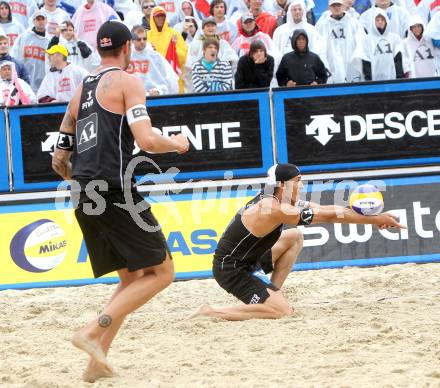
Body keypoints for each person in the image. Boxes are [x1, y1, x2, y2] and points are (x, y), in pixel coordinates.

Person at [51, 20, 189, 382]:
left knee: (130, 280)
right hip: (114, 187)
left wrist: (70, 172)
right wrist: (176, 143)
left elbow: (61, 148)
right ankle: (91, 331)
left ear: (99, 49)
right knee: (162, 272)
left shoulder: (83, 86)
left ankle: (97, 363)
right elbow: (145, 141)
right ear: (128, 49)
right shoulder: (129, 81)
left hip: (83, 190)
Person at [190, 163, 404, 321]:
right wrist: (376, 219)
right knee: (283, 312)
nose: (301, 186)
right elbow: (328, 217)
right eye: (297, 182)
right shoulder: (274, 209)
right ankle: (210, 311)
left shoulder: (278, 198)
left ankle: (270, 292)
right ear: (282, 184)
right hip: (232, 269)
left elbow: (326, 210)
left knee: (294, 237)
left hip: (250, 258)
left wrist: (375, 217)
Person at [315, 0, 365, 83]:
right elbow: (318, 49)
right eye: (333, 5)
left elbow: (362, 44)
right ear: (329, 8)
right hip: (331, 65)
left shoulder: (354, 23)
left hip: (351, 63)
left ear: (344, 6)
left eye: (338, 5)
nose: (336, 8)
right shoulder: (322, 26)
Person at [353, 9, 405, 80]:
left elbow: (398, 59)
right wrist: (369, 80)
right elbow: (366, 61)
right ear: (373, 22)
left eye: (382, 20)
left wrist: (399, 78)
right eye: (377, 20)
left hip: (392, 79)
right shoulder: (367, 40)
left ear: (386, 21)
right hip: (374, 81)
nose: (380, 22)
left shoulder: (394, 38)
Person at [128, 25, 179, 95]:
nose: (142, 41)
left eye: (144, 39)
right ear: (132, 41)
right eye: (139, 39)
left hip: (153, 98)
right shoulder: (126, 57)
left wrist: (158, 91)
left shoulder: (155, 56)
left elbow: (166, 81)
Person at [147, 6, 187, 91]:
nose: (160, 18)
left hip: (173, 76)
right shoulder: (147, 36)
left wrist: (175, 46)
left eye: (163, 16)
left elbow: (184, 58)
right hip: (155, 77)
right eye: (158, 16)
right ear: (152, 18)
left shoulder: (174, 33)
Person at [185, 17, 237, 82]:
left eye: (212, 26)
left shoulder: (223, 43)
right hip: (201, 80)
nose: (210, 28)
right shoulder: (196, 44)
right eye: (207, 26)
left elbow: (232, 59)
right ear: (203, 29)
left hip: (220, 80)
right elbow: (189, 62)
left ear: (216, 28)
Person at [10, 10, 50, 92]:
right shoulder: (24, 37)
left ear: (46, 21)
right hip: (24, 79)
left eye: (42, 19)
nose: (40, 21)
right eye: (38, 19)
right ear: (33, 21)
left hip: (42, 83)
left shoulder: (49, 40)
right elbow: (14, 56)